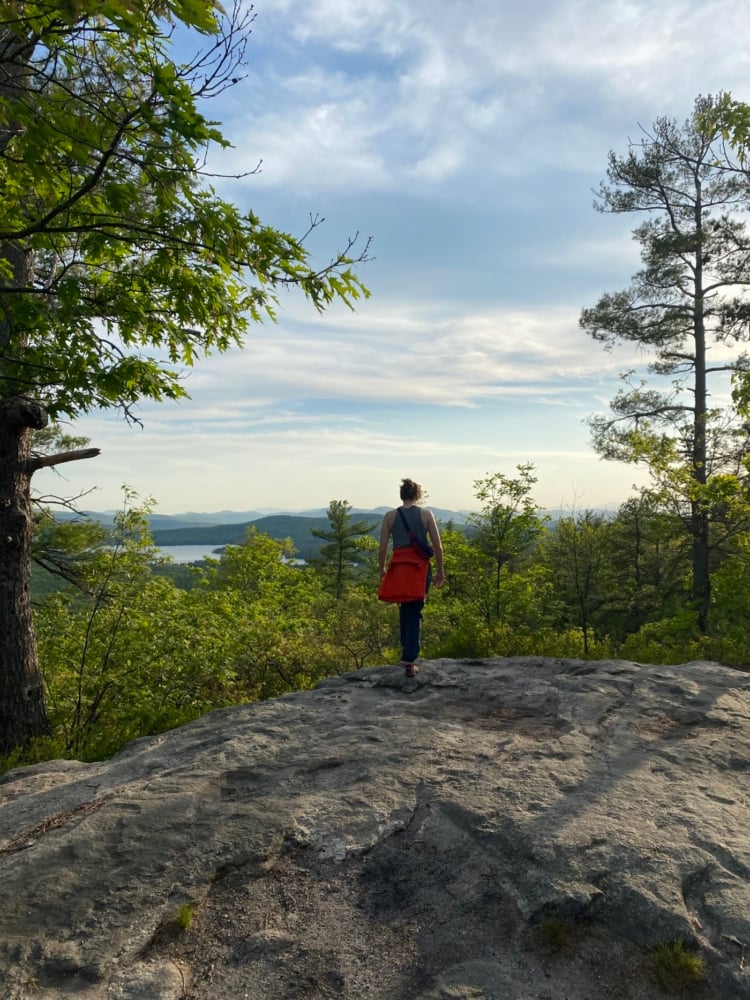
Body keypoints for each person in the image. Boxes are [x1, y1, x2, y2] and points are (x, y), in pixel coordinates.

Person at [378, 478, 445, 677]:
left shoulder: (390, 516)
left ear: (401, 495)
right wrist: (441, 571)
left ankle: (406, 654)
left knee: (404, 608)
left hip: (398, 567)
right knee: (415, 610)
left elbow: (382, 547)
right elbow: (437, 547)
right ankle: (409, 660)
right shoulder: (426, 515)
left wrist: (381, 569)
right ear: (418, 495)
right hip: (419, 568)